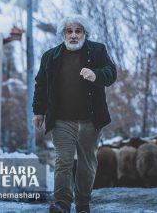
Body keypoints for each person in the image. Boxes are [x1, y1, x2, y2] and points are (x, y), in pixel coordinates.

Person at [32, 15, 117, 213]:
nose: (73, 35)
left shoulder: (98, 51)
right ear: (63, 34)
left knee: (87, 163)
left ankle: (82, 204)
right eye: (69, 31)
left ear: (84, 34)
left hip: (90, 119)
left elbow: (111, 73)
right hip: (61, 120)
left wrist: (96, 75)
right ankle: (62, 203)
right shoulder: (50, 56)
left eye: (78, 31)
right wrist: (38, 111)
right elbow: (41, 84)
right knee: (63, 160)